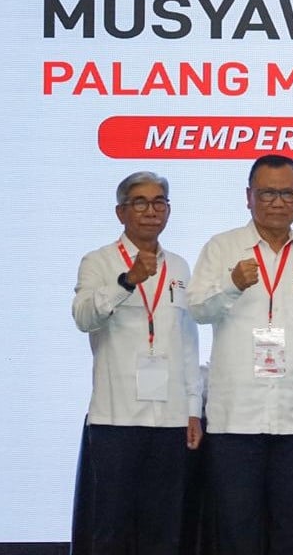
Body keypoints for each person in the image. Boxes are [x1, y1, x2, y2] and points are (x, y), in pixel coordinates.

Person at [188, 154, 293, 555]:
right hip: (237, 417)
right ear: (248, 197)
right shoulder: (222, 248)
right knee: (238, 531)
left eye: (287, 193)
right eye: (267, 193)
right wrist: (231, 284)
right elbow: (198, 310)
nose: (277, 202)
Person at [72, 171, 201, 554]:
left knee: (164, 529)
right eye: (140, 203)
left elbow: (188, 342)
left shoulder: (178, 266)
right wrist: (126, 281)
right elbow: (83, 318)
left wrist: (193, 408)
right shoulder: (98, 261)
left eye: (159, 202)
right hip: (117, 420)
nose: (151, 211)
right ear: (120, 212)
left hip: (170, 419)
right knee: (110, 528)